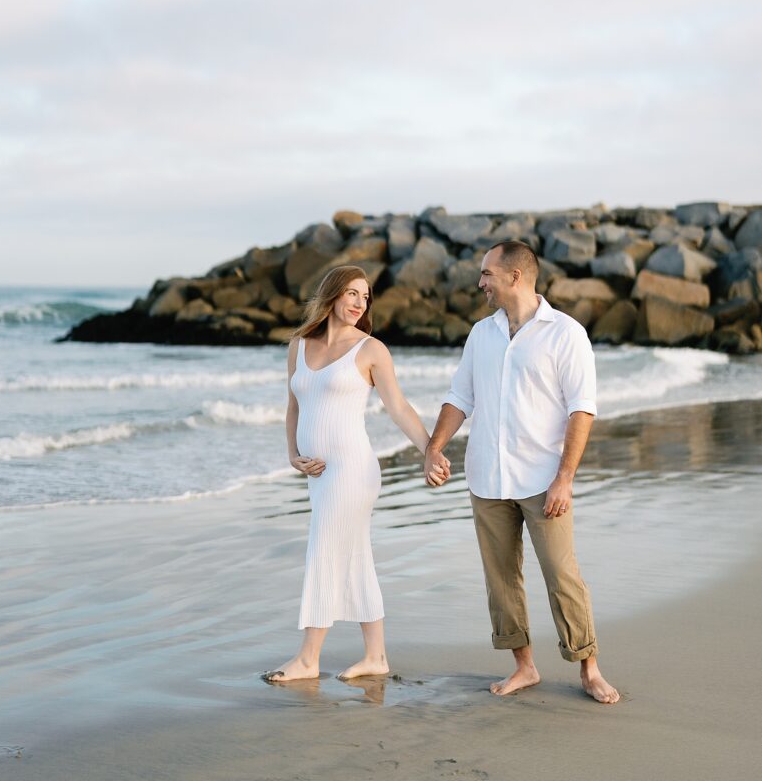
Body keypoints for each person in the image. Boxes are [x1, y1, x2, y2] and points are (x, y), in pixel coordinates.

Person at [424, 241, 620, 704]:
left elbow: (581, 410)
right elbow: (460, 398)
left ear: (515, 276)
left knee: (561, 573)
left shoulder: (565, 333)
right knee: (501, 580)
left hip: (542, 479)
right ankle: (524, 667)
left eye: (487, 273)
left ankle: (589, 667)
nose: (480, 282)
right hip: (487, 477)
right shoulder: (481, 334)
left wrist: (565, 477)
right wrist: (434, 448)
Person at [263, 264, 448, 683]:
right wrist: (293, 454)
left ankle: (308, 660)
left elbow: (398, 407)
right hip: (317, 474)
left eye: (365, 297)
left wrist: (431, 450)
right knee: (355, 559)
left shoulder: (371, 350)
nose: (359, 303)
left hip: (352, 471)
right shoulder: (299, 345)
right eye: (352, 293)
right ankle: (376, 657)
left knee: (324, 550)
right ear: (332, 294)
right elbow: (294, 406)